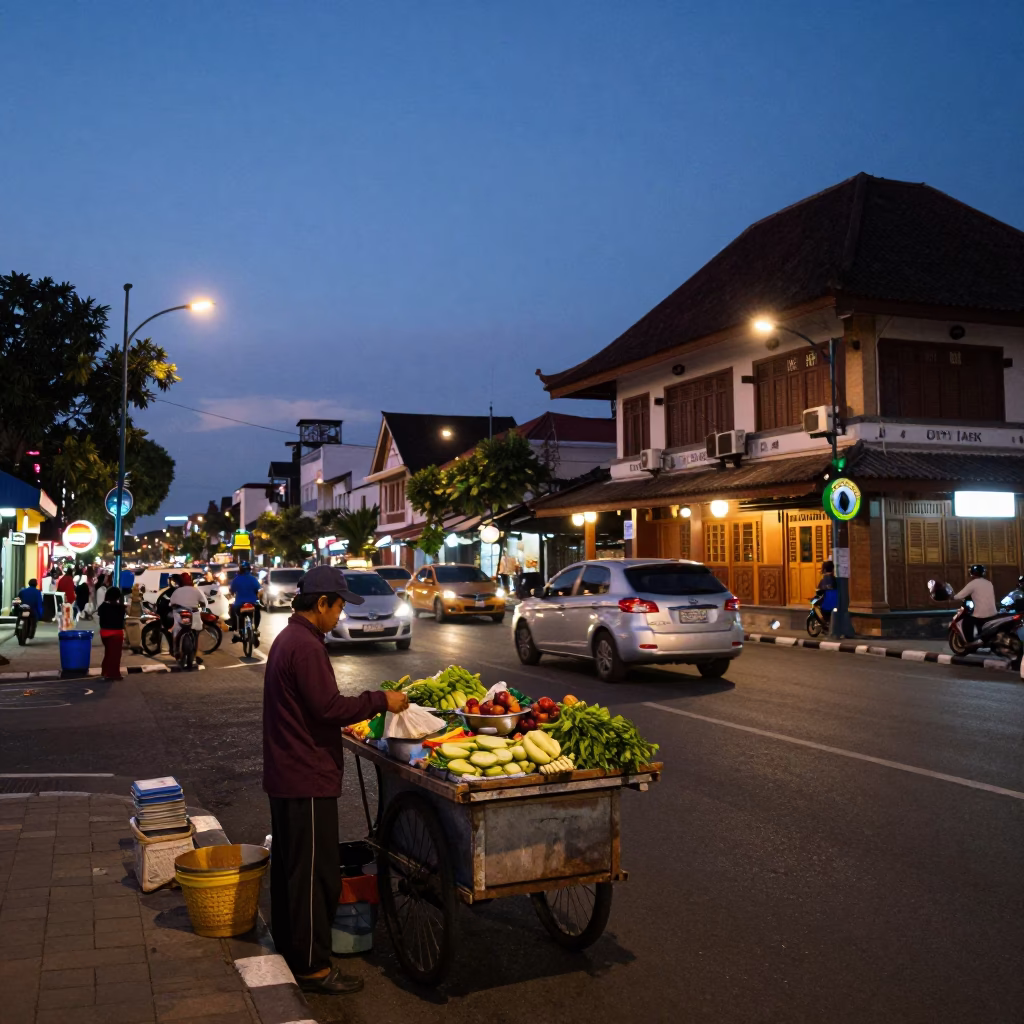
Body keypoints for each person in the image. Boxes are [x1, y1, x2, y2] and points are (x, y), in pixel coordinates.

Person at [263, 566, 409, 995]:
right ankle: (312, 968)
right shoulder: (305, 646)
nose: (342, 612)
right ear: (321, 603)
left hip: (289, 771)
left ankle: (294, 952)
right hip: (305, 776)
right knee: (314, 875)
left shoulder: (292, 640)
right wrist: (381, 700)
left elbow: (310, 709)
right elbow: (327, 707)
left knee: (294, 869)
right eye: (341, 604)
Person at [955, 564, 997, 643]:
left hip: (981, 614)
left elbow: (960, 595)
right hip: (993, 612)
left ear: (972, 573)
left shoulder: (973, 584)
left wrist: (952, 597)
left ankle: (970, 642)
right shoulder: (989, 583)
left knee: (967, 620)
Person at [168, 572, 207, 655]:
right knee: (196, 631)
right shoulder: (196, 590)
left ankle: (176, 650)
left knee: (176, 631)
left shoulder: (177, 591)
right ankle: (195, 652)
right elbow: (203, 602)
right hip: (193, 613)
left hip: (179, 613)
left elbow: (171, 603)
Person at [229, 561, 263, 642]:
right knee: (257, 611)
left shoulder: (236, 579)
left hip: (239, 604)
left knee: (233, 612)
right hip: (252, 603)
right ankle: (255, 629)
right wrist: (259, 598)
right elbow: (260, 590)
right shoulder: (253, 579)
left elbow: (232, 590)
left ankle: (237, 630)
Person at [98, 587, 126, 680]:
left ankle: (105, 672)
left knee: (108, 653)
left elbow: (100, 619)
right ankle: (112, 674)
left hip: (104, 632)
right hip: (116, 633)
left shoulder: (103, 606)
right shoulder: (121, 607)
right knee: (115, 655)